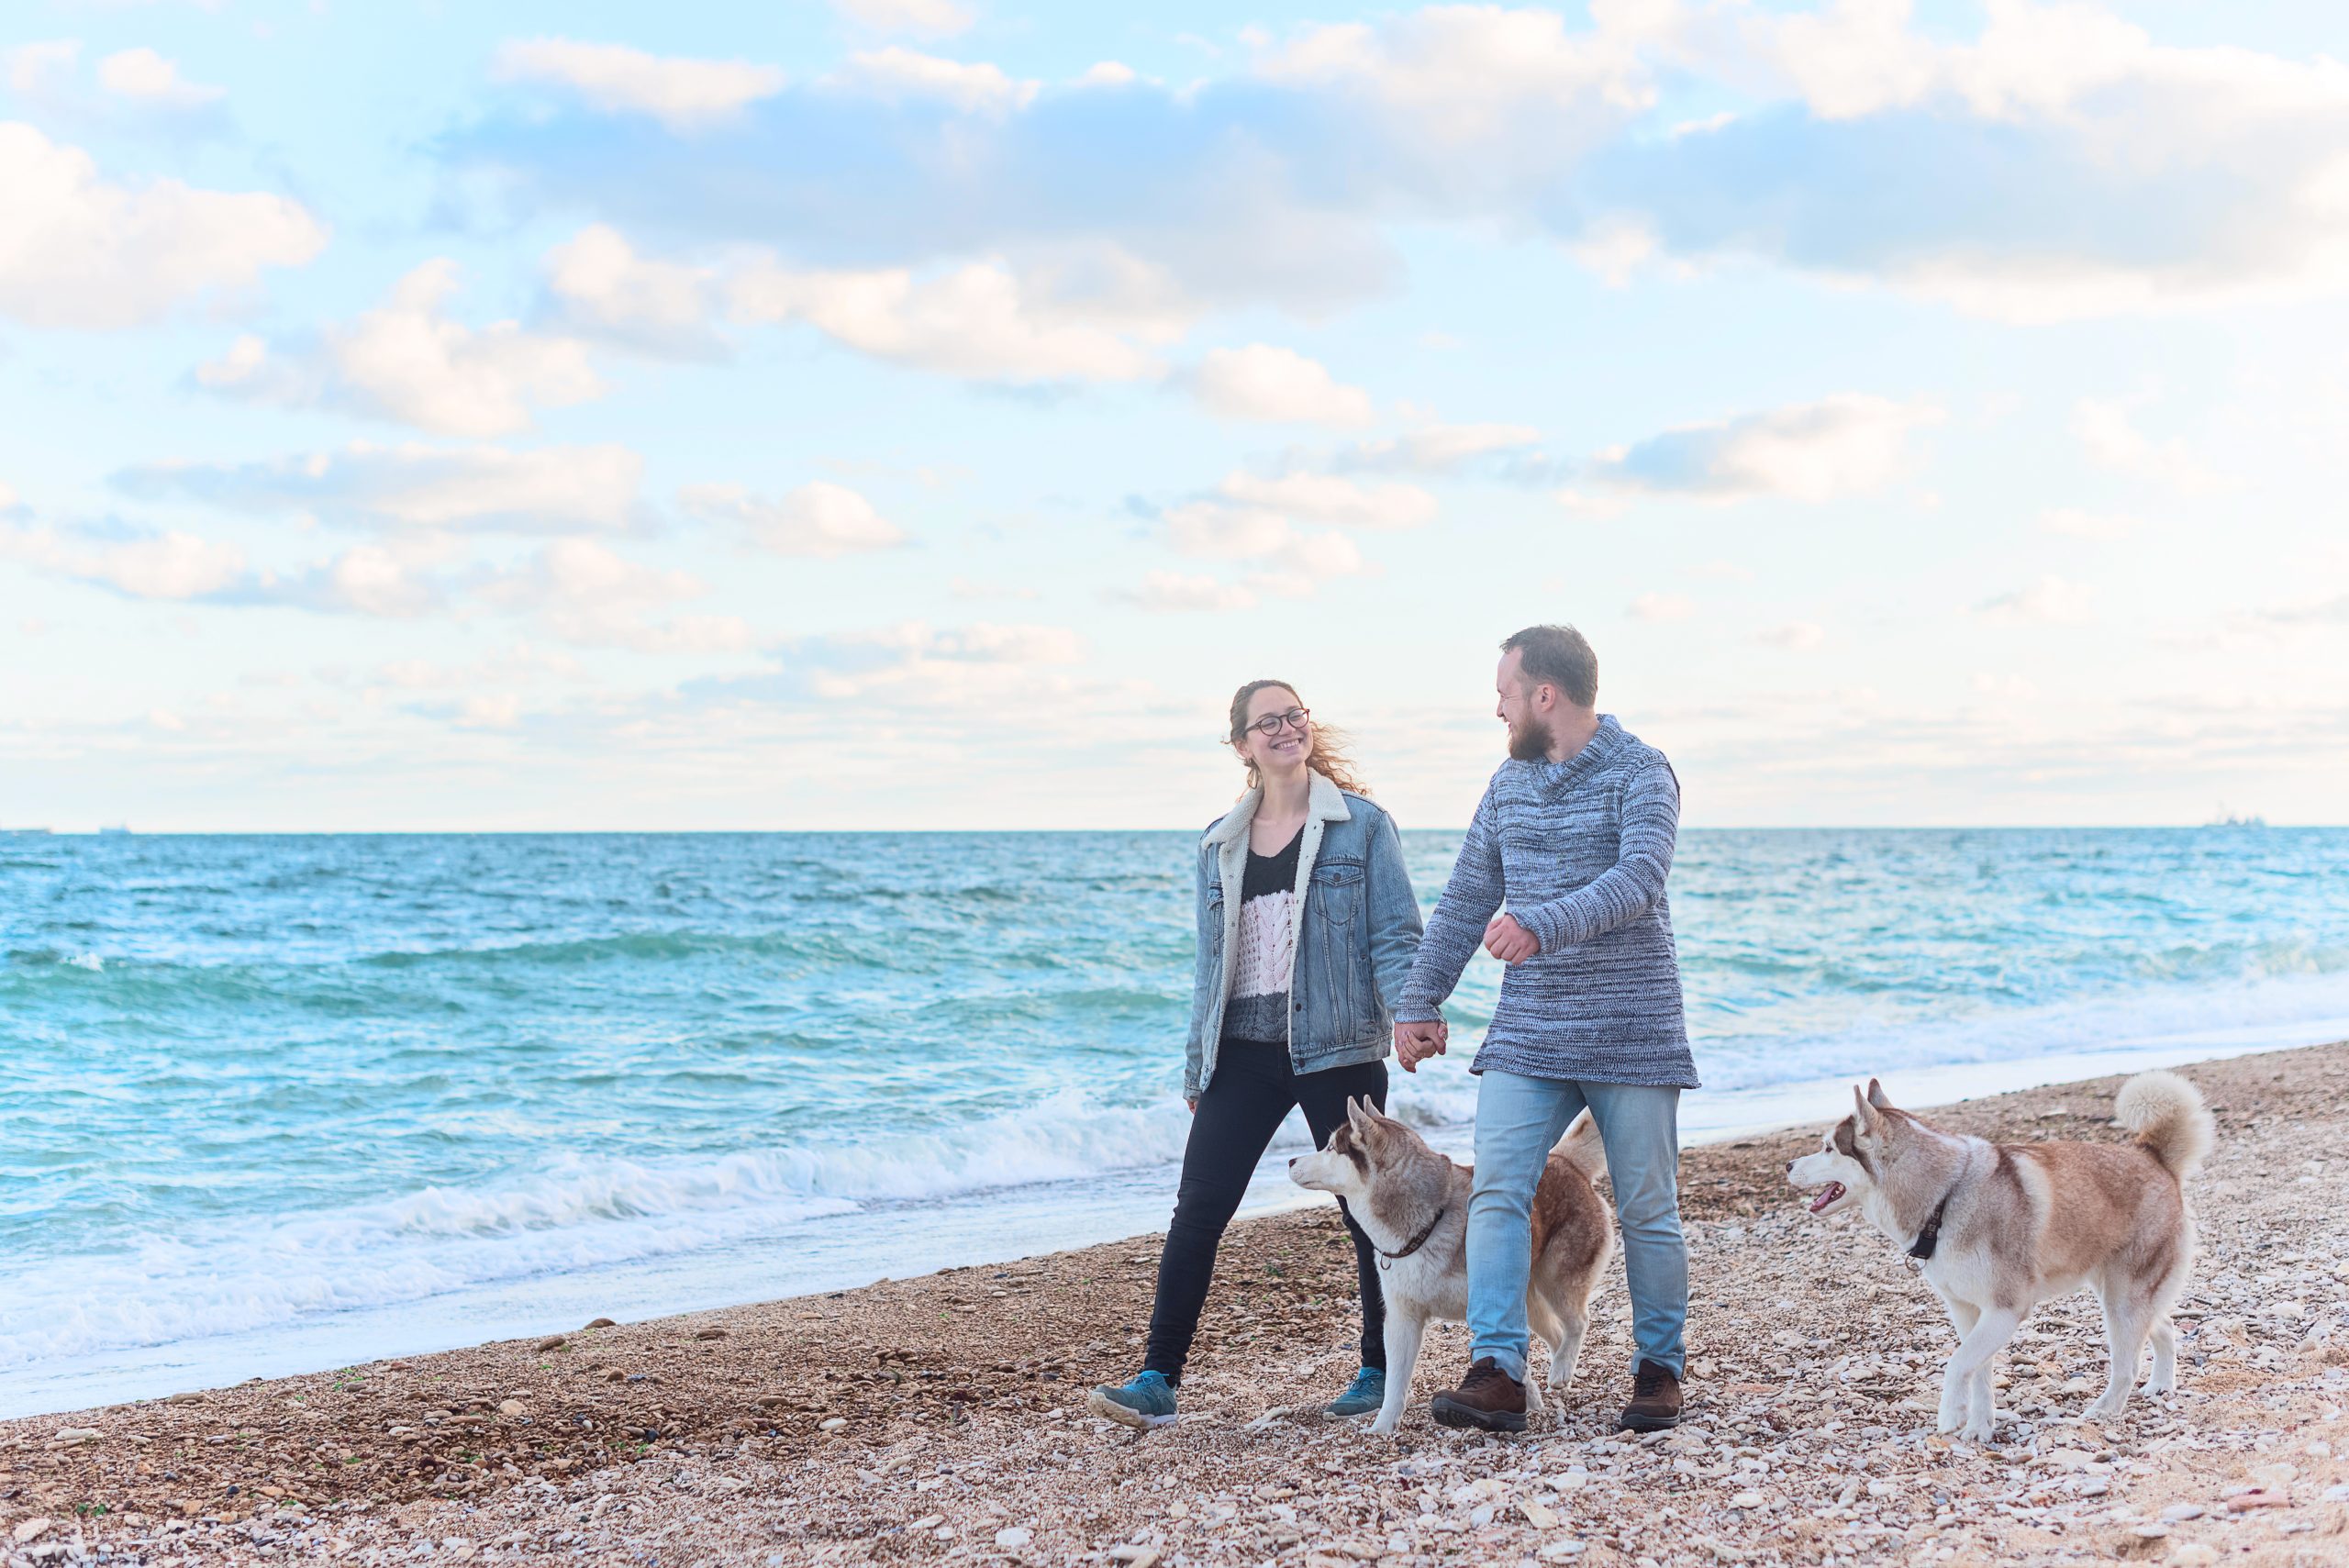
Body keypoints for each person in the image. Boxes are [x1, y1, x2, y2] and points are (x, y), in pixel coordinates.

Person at [1090, 680, 1433, 1429]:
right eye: (1266, 722)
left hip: (1335, 1043)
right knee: (1199, 1208)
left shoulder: (1363, 826)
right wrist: (1196, 1065)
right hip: (1240, 1052)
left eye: (1294, 715)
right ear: (1242, 744)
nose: (1284, 728)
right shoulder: (1219, 839)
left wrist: (1414, 1011)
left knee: (1365, 1209)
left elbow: (1396, 935)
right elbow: (1210, 966)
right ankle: (1157, 1380)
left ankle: (1376, 1371)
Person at [1392, 624, 1698, 1434]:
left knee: (1647, 1207)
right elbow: (1464, 897)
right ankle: (1497, 1369)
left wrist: (1538, 923)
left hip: (1632, 1025)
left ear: (1545, 694)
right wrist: (1420, 999)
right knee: (1496, 1190)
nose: (1497, 707)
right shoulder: (1507, 784)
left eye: (1504, 691)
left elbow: (1640, 878)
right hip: (1530, 1029)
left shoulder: (1643, 771)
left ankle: (1658, 1370)